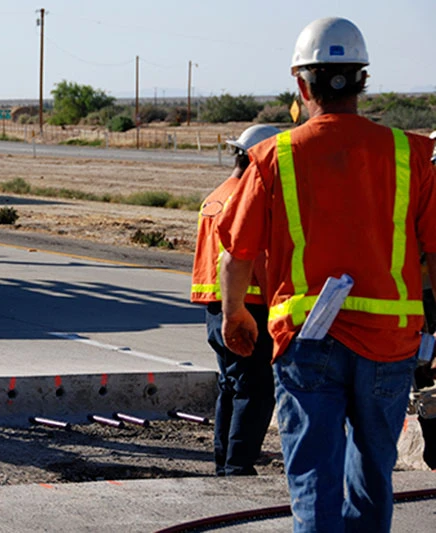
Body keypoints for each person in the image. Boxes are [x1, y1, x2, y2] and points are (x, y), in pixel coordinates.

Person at [217, 17, 436, 532]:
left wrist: (234, 316)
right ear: (362, 80)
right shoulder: (410, 153)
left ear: (301, 83)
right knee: (374, 477)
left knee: (315, 479)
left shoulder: (274, 156)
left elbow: (235, 254)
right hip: (389, 343)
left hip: (308, 340)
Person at [191, 124, 279, 476]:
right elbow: (252, 258)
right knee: (255, 390)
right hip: (248, 307)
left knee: (231, 385)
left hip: (217, 308)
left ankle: (225, 462)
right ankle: (239, 466)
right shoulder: (247, 200)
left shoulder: (215, 196)